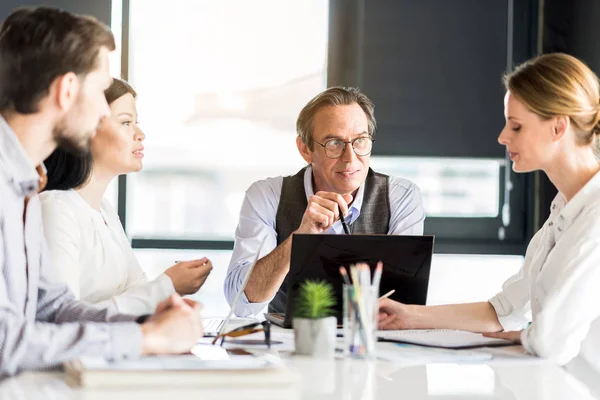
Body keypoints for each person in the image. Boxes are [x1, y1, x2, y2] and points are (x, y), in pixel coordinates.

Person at [0, 7, 202, 375]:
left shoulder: (25, 183)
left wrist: (145, 324)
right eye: (98, 91)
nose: (100, 112)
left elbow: (54, 308)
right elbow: (4, 343)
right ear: (67, 90)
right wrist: (147, 340)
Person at [378, 53, 600, 370]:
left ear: (558, 127)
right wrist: (407, 316)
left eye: (516, 126)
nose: (502, 137)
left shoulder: (595, 220)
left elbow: (550, 341)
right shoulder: (563, 211)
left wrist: (524, 335)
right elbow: (505, 310)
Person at [225, 87, 426, 317]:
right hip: (289, 346)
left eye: (360, 141)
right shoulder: (267, 195)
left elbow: (404, 305)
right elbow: (241, 303)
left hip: (373, 343)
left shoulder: (400, 196)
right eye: (334, 143)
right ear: (305, 149)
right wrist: (300, 238)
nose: (350, 158)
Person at [39, 78, 212, 316]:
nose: (140, 134)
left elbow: (137, 290)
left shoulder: (105, 211)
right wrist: (167, 286)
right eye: (126, 123)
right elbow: (62, 319)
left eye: (136, 123)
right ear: (85, 131)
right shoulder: (55, 209)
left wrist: (170, 302)